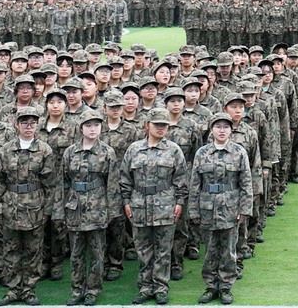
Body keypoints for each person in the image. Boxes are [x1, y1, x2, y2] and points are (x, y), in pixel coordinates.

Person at [116, 107, 190, 306]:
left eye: (164, 125)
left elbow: (181, 179)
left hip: (165, 205)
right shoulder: (134, 149)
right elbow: (124, 178)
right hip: (139, 204)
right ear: (147, 125)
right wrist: (126, 201)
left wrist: (179, 202)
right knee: (143, 249)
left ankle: (160, 287)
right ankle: (145, 286)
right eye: (157, 125)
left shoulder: (173, 149)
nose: (161, 129)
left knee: (164, 249)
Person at [0, 105, 57, 306]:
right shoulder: (6, 149)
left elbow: (50, 183)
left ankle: (28, 289)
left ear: (37, 125)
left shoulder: (44, 149)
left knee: (33, 251)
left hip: (35, 206)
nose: (28, 126)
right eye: (24, 122)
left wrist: (47, 209)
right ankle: (13, 290)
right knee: (10, 250)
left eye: (32, 123)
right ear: (16, 125)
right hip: (11, 206)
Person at [188, 112, 254, 304]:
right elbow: (195, 184)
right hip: (207, 207)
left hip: (230, 208)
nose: (222, 130)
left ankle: (225, 287)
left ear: (231, 130)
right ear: (212, 130)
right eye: (218, 127)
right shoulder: (202, 153)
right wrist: (193, 210)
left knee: (228, 251)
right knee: (209, 250)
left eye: (226, 127)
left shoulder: (239, 152)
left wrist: (244, 209)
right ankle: (210, 286)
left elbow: (246, 183)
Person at [61, 113, 118, 306]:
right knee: (76, 252)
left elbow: (112, 183)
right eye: (88, 125)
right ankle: (77, 289)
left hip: (97, 206)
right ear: (81, 128)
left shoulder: (107, 152)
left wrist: (112, 210)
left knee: (96, 252)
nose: (93, 129)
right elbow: (64, 181)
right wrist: (61, 208)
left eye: (96, 125)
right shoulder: (70, 152)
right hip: (75, 206)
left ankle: (93, 290)